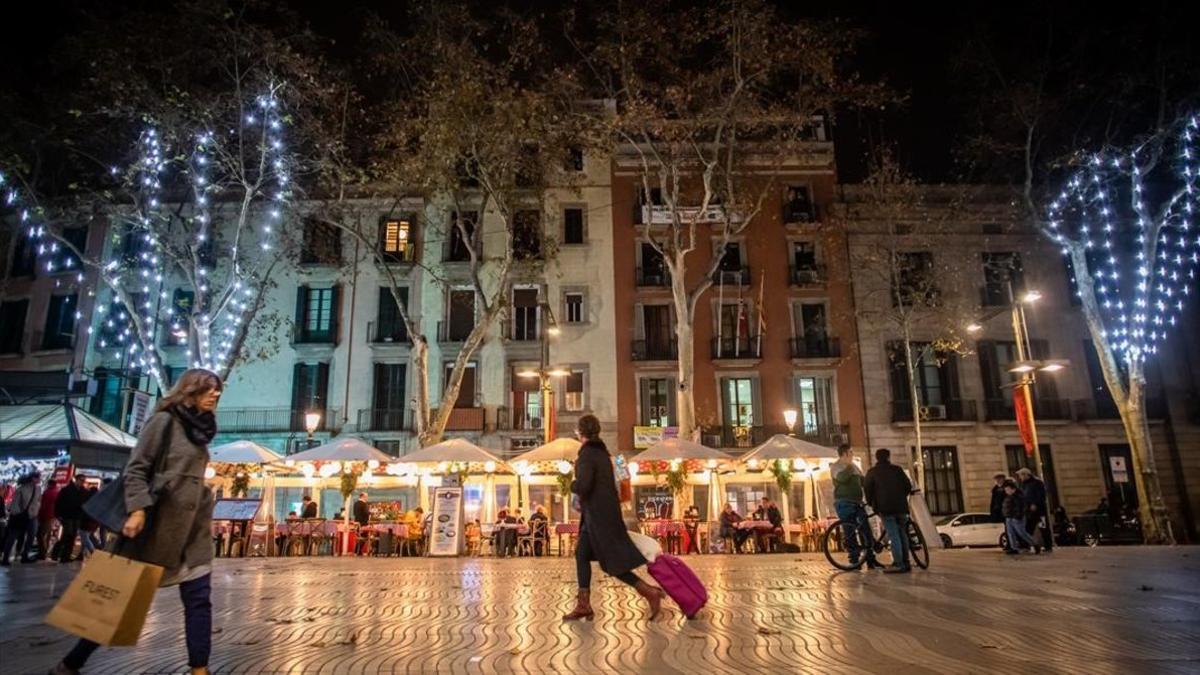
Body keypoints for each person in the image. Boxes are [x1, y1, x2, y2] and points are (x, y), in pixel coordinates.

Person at [50, 368, 223, 675]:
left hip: (193, 533)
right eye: (209, 389)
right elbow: (136, 469)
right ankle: (71, 663)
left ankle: (200, 669)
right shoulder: (164, 422)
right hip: (156, 527)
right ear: (190, 391)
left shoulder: (202, 430)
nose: (215, 395)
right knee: (116, 601)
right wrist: (138, 509)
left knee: (199, 600)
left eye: (218, 391)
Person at [564, 414, 665, 621]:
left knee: (610, 562)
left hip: (598, 520)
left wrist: (571, 484)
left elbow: (583, 486)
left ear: (580, 433)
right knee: (583, 554)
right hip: (601, 517)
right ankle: (584, 604)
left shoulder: (587, 455)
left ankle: (649, 592)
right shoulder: (602, 454)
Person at [830, 444, 881, 569]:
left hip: (857, 502)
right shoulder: (835, 466)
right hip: (844, 502)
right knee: (850, 531)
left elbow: (863, 482)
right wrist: (849, 466)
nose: (853, 455)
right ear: (845, 453)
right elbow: (841, 478)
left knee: (865, 529)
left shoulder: (854, 467)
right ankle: (854, 560)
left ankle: (870, 559)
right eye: (851, 452)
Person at [863, 448, 913, 574]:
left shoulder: (873, 472)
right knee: (902, 533)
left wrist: (872, 503)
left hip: (885, 508)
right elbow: (908, 486)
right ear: (888, 457)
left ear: (877, 458)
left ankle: (898, 563)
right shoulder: (897, 470)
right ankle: (906, 562)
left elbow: (867, 490)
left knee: (893, 534)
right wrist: (901, 497)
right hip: (901, 506)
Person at [0, 471, 42, 565]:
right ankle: (5, 558)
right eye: (39, 477)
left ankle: (25, 555)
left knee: (31, 535)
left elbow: (38, 501)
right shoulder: (21, 489)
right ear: (33, 478)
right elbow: (15, 504)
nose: (40, 479)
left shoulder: (38, 489)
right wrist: (18, 513)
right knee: (12, 536)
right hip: (20, 516)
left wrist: (35, 511)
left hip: (32, 516)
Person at [54, 474, 89, 563]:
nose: (82, 482)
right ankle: (57, 554)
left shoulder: (84, 491)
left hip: (77, 516)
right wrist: (58, 515)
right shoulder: (66, 490)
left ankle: (66, 556)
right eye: (81, 480)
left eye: (83, 481)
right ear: (76, 480)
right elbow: (59, 502)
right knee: (67, 535)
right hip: (67, 516)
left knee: (72, 536)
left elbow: (85, 504)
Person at [1016, 468, 1052, 552]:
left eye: (1021, 475)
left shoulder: (1037, 483)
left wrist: (1035, 503)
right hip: (1029, 511)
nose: (1020, 477)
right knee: (1028, 528)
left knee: (1043, 528)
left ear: (1026, 475)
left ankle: (1048, 546)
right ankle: (1026, 545)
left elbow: (1041, 495)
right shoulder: (1023, 484)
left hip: (1040, 511)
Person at [1002, 479, 1038, 555]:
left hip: (1016, 517)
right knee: (1011, 533)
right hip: (1009, 517)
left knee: (1022, 532)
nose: (1006, 491)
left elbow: (1021, 507)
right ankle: (1014, 548)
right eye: (1006, 490)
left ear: (1013, 489)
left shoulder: (1019, 496)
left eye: (1007, 489)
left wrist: (1018, 516)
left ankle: (1035, 544)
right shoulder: (1009, 496)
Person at [37, 476, 59, 560]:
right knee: (48, 534)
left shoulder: (48, 492)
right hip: (52, 516)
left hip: (46, 516)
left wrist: (39, 515)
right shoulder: (57, 492)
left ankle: (42, 553)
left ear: (49, 484)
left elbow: (43, 505)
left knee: (41, 535)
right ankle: (44, 551)